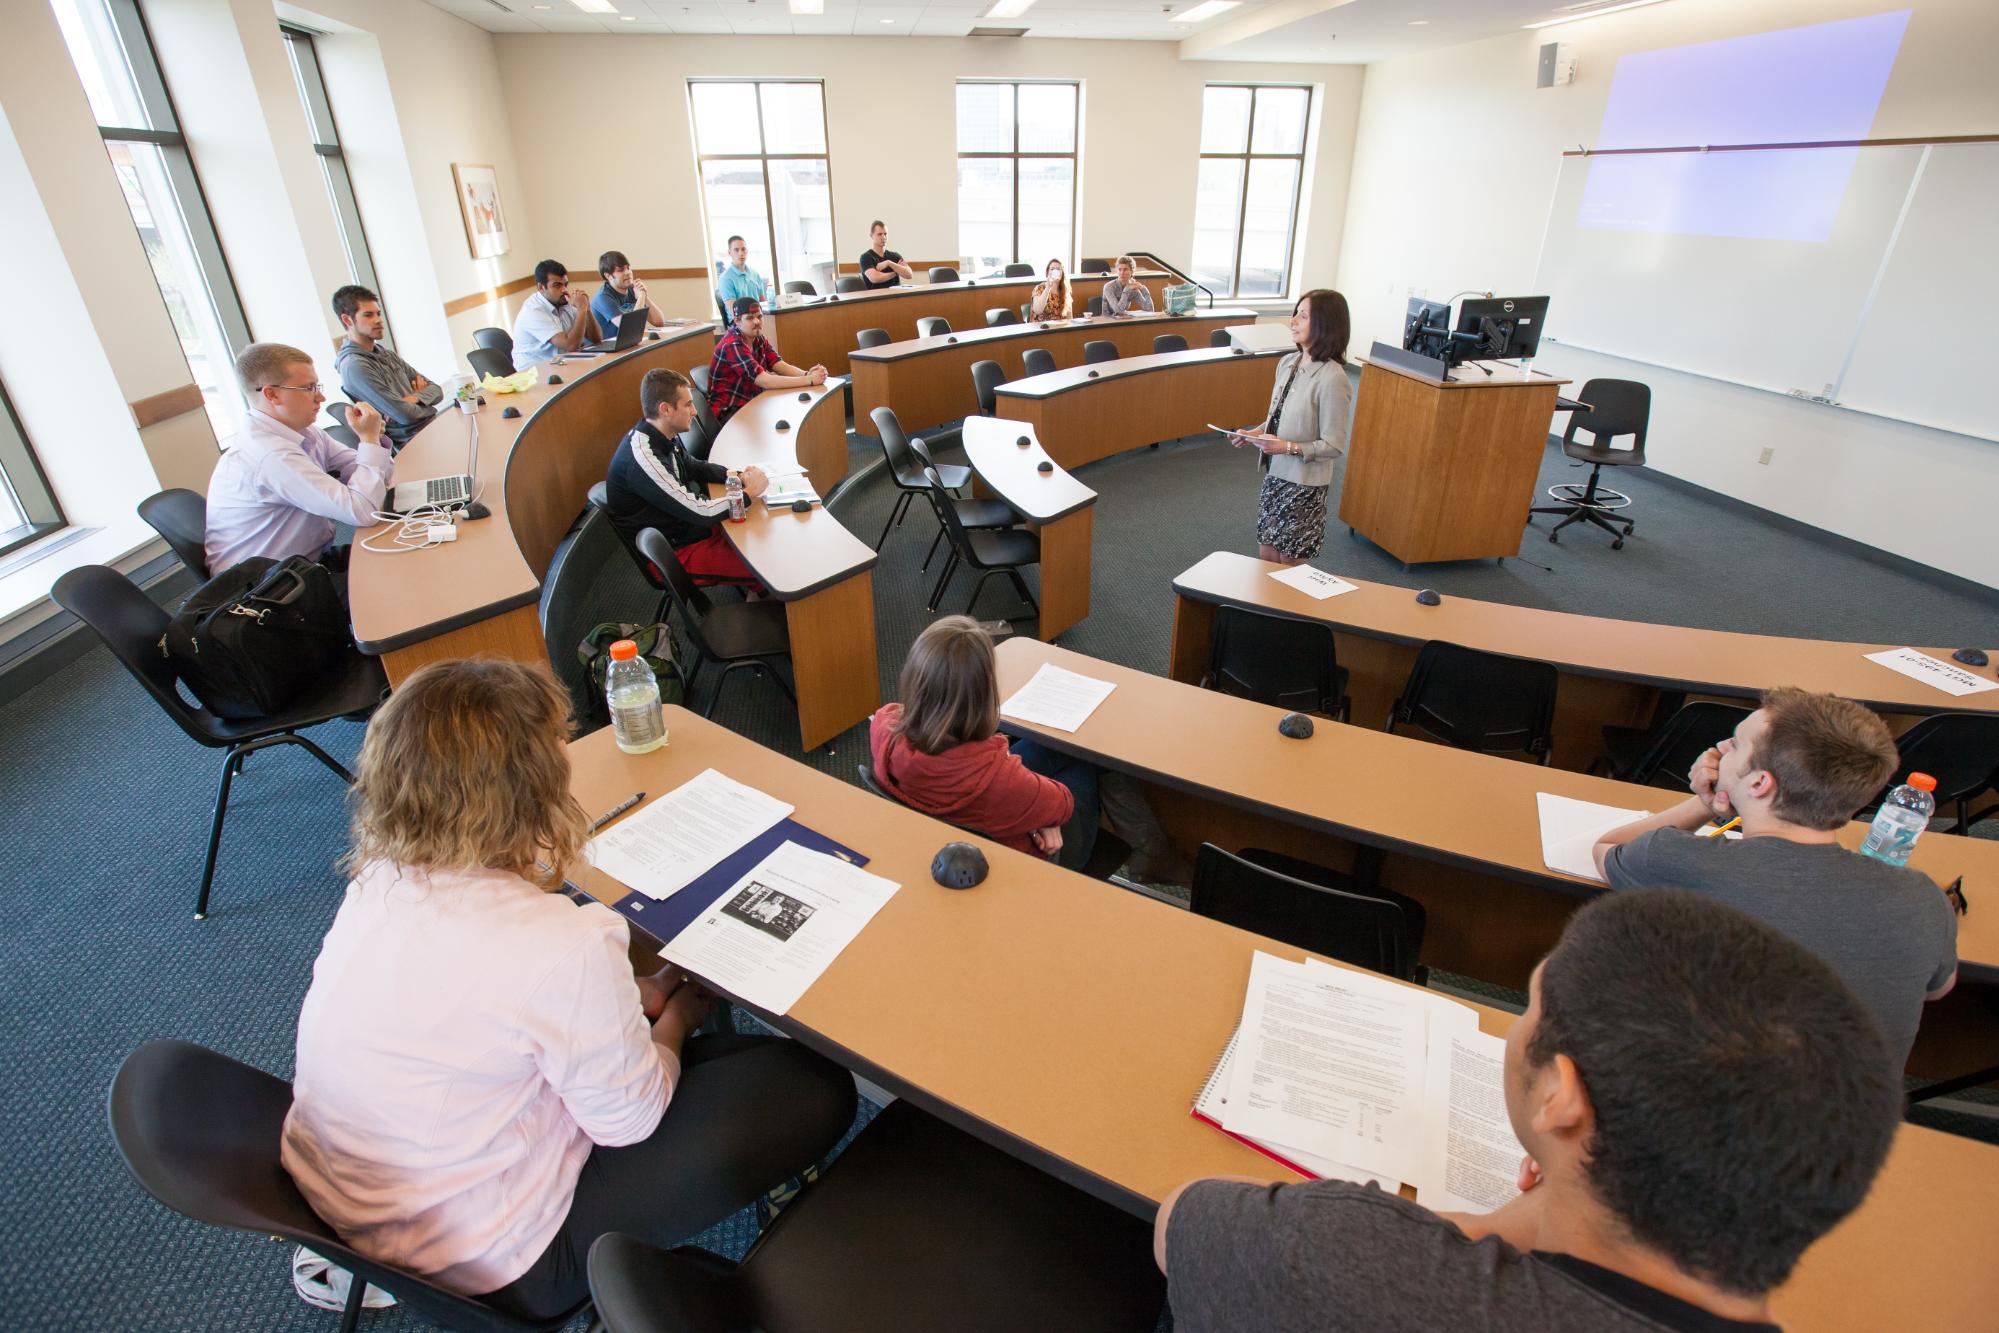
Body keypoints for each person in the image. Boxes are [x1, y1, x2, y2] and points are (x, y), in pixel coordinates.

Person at [281, 659, 856, 1323]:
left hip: (347, 1199)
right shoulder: (562, 943)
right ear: (530, 790)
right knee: (813, 1085)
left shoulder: (378, 882)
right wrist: (680, 1017)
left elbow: (484, 1005)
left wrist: (635, 992)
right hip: (494, 1261)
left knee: (726, 1060)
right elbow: (628, 1120)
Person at [1155, 888, 1904, 1332]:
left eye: (1529, 1006)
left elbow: (1180, 1220)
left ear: (1561, 1099)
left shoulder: (1342, 1252)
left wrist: (1491, 1226)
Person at [1592, 687, 1958, 1066]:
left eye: (1734, 744)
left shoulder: (1675, 857)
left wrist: (1704, 802)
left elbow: (1607, 846)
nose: (1720, 748)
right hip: (1855, 1121)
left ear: (1759, 784)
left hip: (1693, 1108)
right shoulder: (1924, 897)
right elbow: (1938, 989)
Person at [869, 616, 1188, 882]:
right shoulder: (1001, 781)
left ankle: (1151, 848)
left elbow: (994, 779)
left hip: (951, 822)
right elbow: (1061, 804)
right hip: (1031, 864)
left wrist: (1017, 782)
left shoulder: (883, 727)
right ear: (983, 696)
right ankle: (1152, 850)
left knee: (1051, 745)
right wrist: (1044, 816)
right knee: (1082, 760)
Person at [204, 343, 392, 576]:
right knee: (395, 580)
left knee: (401, 551)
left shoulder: (304, 431)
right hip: (271, 591)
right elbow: (364, 512)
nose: (320, 397)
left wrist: (371, 443)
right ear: (271, 394)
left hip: (307, 563)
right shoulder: (270, 455)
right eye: (309, 388)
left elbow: (382, 478)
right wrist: (370, 439)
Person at [605, 367, 769, 588]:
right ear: (665, 410)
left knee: (764, 539)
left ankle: (760, 597)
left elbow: (695, 467)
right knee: (764, 566)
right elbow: (700, 511)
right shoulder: (643, 459)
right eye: (688, 404)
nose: (695, 411)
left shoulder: (660, 436)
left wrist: (739, 476)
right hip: (674, 554)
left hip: (688, 530)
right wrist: (748, 493)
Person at [1229, 289, 1351, 566]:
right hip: (1276, 476)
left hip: (1304, 484)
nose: (1293, 320)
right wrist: (1252, 434)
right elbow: (1277, 418)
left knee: (1290, 563)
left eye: (1303, 315)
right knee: (1267, 556)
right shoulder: (1288, 362)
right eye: (1295, 312)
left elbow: (1334, 445)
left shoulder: (1333, 378)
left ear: (1325, 324)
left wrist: (1285, 447)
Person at [331, 285, 442, 449]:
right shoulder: (354, 366)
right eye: (368, 315)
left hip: (432, 427)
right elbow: (404, 416)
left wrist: (416, 397)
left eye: (378, 314)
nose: (378, 320)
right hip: (413, 442)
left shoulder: (385, 353)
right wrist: (427, 404)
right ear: (348, 320)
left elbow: (437, 390)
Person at [706, 297, 826, 423]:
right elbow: (764, 381)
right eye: (750, 318)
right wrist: (809, 380)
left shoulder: (757, 337)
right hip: (728, 412)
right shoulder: (732, 344)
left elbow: (777, 364)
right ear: (737, 321)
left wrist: (807, 374)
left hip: (750, 402)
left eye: (759, 316)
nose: (757, 321)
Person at [511, 259, 602, 368]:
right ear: (541, 287)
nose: (564, 290)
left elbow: (596, 338)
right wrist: (581, 309)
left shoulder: (562, 301)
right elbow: (570, 345)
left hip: (560, 365)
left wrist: (587, 309)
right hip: (535, 374)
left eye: (566, 284)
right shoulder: (532, 311)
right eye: (557, 285)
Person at [590, 250, 669, 337]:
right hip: (602, 348)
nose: (628, 273)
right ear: (608, 275)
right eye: (621, 270)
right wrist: (640, 297)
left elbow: (659, 322)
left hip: (624, 344)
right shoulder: (603, 298)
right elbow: (631, 328)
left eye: (628, 268)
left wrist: (644, 296)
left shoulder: (632, 289)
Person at [716, 234, 769, 309]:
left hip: (757, 317)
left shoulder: (755, 274)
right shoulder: (725, 278)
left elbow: (763, 303)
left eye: (743, 249)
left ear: (747, 251)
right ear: (729, 252)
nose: (741, 253)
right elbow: (734, 311)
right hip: (738, 319)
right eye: (736, 250)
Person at [857, 220, 913, 290]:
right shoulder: (866, 257)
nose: (883, 237)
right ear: (871, 236)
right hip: (876, 297)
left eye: (885, 234)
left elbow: (909, 274)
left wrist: (889, 263)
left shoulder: (895, 256)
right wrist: (896, 272)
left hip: (896, 295)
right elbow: (875, 278)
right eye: (879, 234)